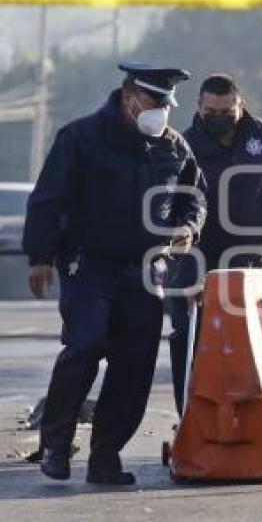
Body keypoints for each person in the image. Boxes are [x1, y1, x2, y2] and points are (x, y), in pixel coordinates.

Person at [23, 62, 206, 485]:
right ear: (129, 98)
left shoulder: (174, 148)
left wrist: (188, 227)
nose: (162, 111)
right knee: (84, 345)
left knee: (134, 364)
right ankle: (55, 444)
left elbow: (195, 198)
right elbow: (49, 198)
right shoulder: (82, 138)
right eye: (154, 102)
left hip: (145, 273)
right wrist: (40, 256)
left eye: (167, 104)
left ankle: (105, 454)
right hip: (89, 266)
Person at [167, 73, 262, 413]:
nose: (217, 117)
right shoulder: (183, 144)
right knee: (191, 334)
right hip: (200, 254)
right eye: (210, 110)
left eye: (225, 110)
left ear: (239, 105)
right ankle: (190, 413)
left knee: (251, 336)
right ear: (199, 108)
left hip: (252, 253)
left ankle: (253, 412)